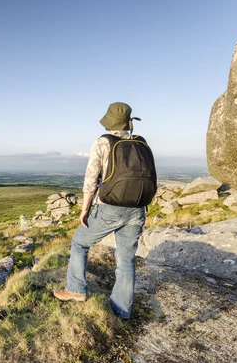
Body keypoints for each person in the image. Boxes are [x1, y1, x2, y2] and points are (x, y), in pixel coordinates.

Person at [52, 102, 155, 320]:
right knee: (126, 258)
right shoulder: (141, 143)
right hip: (137, 209)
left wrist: (85, 209)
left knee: (79, 243)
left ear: (109, 121)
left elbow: (91, 180)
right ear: (128, 122)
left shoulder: (103, 142)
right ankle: (122, 310)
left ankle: (76, 289)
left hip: (109, 207)